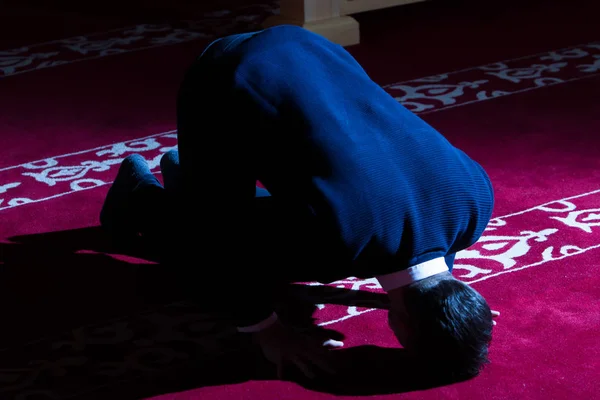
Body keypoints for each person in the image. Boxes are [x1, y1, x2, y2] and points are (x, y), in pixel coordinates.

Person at [99, 25, 499, 381]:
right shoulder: (336, 244)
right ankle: (139, 196)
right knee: (213, 235)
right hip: (230, 75)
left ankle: (188, 171)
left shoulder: (476, 206)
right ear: (402, 326)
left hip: (309, 47)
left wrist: (456, 320)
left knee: (312, 222)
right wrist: (267, 329)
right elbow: (218, 245)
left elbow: (408, 234)